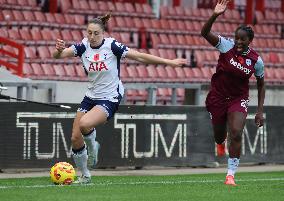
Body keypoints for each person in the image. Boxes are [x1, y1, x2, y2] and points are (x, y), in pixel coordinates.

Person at [53, 13, 187, 184]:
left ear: (103, 33)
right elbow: (59, 55)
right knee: (75, 138)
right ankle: (85, 175)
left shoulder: (112, 46)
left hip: (110, 97)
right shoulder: (83, 46)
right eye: (89, 33)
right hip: (90, 96)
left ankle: (93, 148)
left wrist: (169, 62)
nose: (92, 37)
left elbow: (139, 56)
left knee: (85, 124)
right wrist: (58, 51)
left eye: (96, 33)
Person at [201, 0, 265, 186]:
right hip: (218, 97)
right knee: (220, 137)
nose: (238, 42)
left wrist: (259, 110)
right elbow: (204, 33)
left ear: (249, 41)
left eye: (242, 39)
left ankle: (230, 175)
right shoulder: (225, 46)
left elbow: (261, 84)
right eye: (236, 38)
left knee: (236, 132)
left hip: (238, 99)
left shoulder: (256, 60)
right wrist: (215, 15)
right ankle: (220, 143)